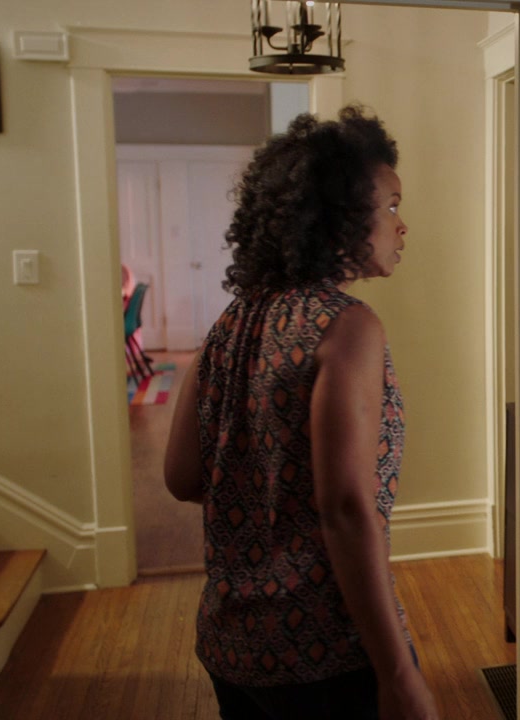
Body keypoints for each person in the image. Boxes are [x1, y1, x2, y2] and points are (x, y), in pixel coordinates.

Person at [163, 105, 440, 720]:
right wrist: (398, 675)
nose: (402, 226)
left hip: (232, 642)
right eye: (391, 206)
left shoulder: (232, 321)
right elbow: (346, 509)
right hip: (326, 650)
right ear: (340, 218)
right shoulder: (347, 327)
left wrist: (263, 493)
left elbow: (181, 477)